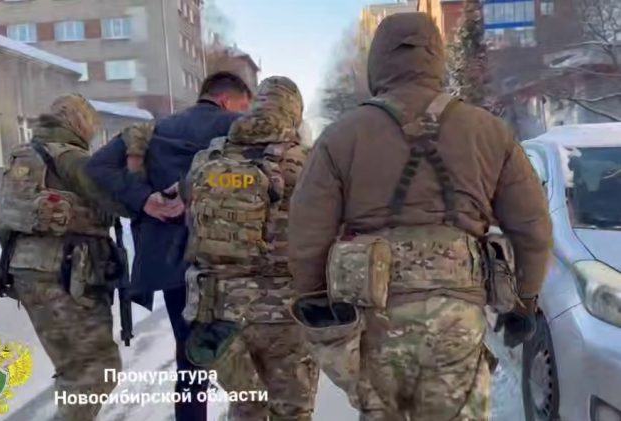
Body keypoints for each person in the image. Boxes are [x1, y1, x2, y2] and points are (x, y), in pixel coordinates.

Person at [287, 12, 552, 421]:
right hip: (457, 315)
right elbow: (533, 228)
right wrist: (524, 301)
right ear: (437, 58)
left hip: (375, 314)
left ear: (378, 61)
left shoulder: (342, 135)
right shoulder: (489, 131)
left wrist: (315, 299)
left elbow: (307, 229)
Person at [86, 71, 252, 421]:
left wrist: (144, 199)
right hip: (229, 258)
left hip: (173, 261)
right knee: (247, 357)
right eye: (243, 105)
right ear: (226, 101)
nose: (245, 113)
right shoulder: (239, 128)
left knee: (190, 358)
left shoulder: (154, 130)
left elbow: (97, 165)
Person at [182, 76, 319, 420]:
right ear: (294, 113)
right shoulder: (307, 160)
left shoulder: (208, 157)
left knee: (245, 406)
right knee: (292, 409)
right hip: (284, 312)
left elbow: (191, 216)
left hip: (219, 308)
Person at [0, 94, 131, 421]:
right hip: (67, 274)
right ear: (80, 123)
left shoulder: (23, 158)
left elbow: (4, 224)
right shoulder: (71, 159)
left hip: (26, 272)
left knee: (74, 366)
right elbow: (120, 199)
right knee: (98, 368)